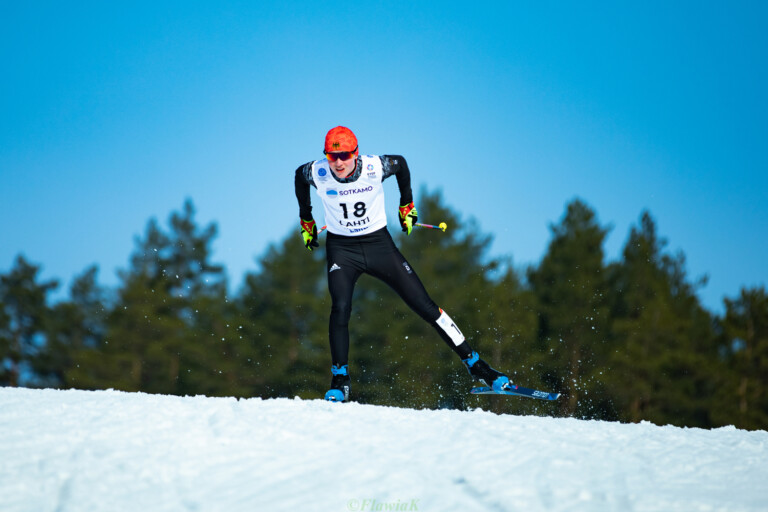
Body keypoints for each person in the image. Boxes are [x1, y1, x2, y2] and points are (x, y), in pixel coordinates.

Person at [294, 126, 512, 401]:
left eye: (344, 155)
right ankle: (340, 380)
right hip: (342, 251)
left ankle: (477, 365)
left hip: (379, 246)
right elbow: (298, 177)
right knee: (340, 308)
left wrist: (406, 204)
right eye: (331, 155)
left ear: (355, 153)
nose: (337, 162)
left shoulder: (375, 166)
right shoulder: (317, 171)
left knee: (425, 305)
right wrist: (306, 219)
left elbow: (401, 164)